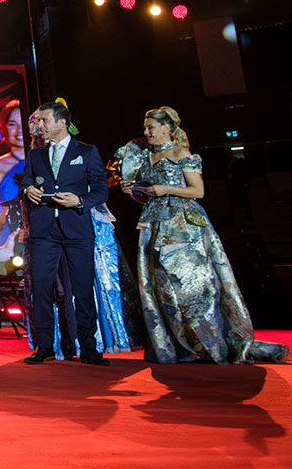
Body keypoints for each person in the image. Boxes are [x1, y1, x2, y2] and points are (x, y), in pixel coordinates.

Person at [122, 107, 287, 364]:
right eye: (145, 127)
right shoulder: (145, 158)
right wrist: (133, 191)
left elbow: (197, 191)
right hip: (155, 225)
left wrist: (166, 188)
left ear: (167, 128)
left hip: (184, 225)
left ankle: (208, 343)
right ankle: (181, 344)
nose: (146, 132)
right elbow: (146, 197)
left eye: (151, 127)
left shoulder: (182, 153)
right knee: (163, 286)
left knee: (195, 283)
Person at [21, 101, 110, 365]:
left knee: (82, 288)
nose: (40, 126)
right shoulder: (35, 155)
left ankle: (89, 347)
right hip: (44, 231)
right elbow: (26, 182)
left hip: (77, 229)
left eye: (45, 121)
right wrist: (28, 190)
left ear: (61, 122)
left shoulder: (87, 151)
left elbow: (100, 190)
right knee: (42, 287)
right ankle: (45, 346)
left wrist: (79, 201)